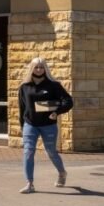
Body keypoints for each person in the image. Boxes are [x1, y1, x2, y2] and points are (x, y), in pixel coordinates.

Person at [17, 57, 73, 193]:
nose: (39, 69)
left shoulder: (54, 85)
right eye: (36, 67)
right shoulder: (24, 87)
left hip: (48, 125)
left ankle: (62, 173)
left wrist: (56, 112)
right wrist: (22, 126)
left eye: (41, 67)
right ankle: (29, 183)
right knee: (28, 151)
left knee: (51, 152)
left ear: (45, 69)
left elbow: (68, 101)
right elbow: (22, 108)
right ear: (32, 68)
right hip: (30, 124)